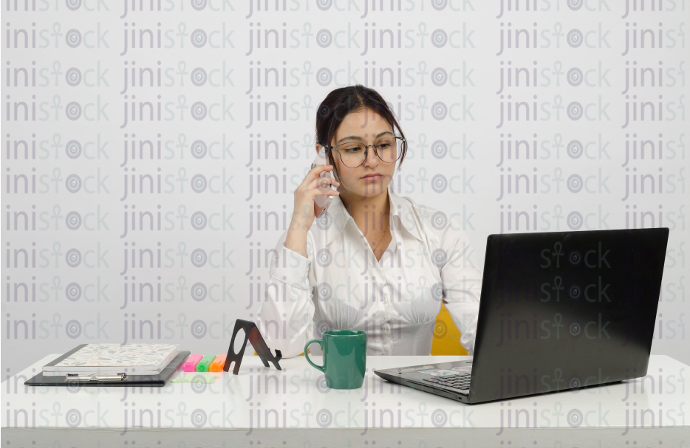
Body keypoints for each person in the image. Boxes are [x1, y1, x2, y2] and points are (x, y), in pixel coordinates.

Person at [257, 85, 482, 358]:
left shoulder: (439, 231)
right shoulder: (306, 239)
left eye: (384, 145)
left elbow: (482, 330)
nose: (372, 161)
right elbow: (279, 348)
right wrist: (298, 225)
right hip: (333, 398)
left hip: (418, 399)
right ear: (326, 155)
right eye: (354, 148)